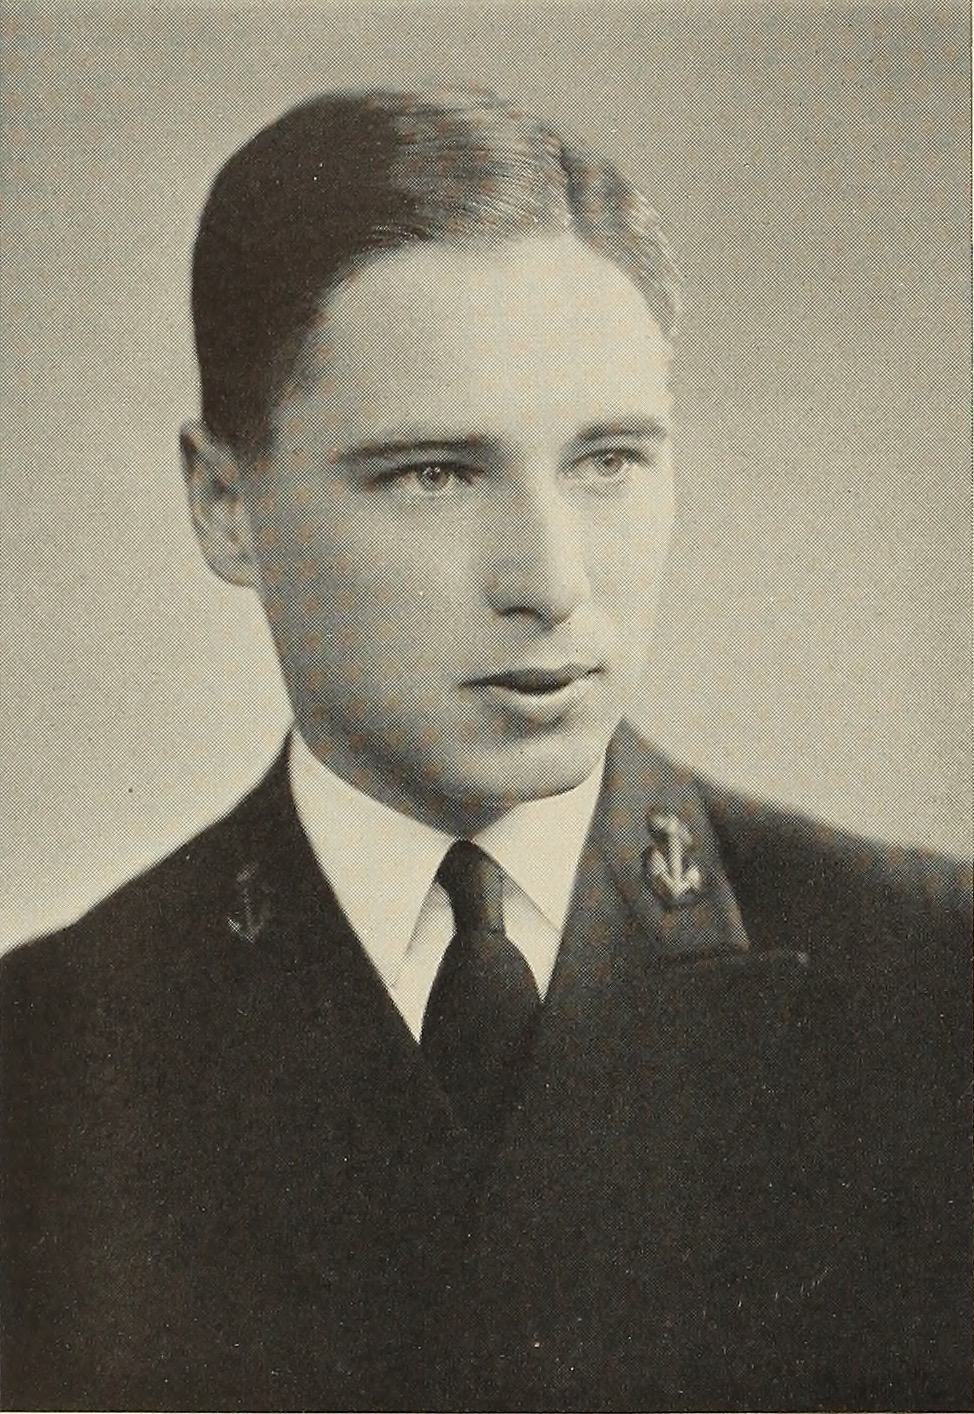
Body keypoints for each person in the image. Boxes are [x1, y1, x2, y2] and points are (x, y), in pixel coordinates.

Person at [1, 89, 969, 1413]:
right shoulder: (49, 1058)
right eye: (436, 474)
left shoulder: (931, 989)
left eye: (608, 460)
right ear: (225, 503)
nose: (551, 582)